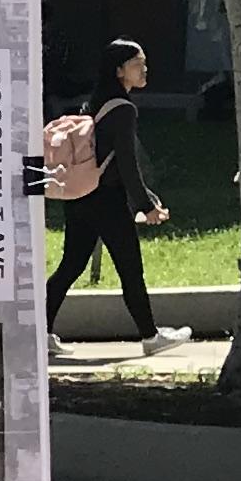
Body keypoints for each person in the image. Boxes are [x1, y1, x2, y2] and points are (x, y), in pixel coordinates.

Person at [44, 37, 184, 351]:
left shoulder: (95, 102)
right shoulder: (122, 109)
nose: (144, 70)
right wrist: (146, 205)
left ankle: (41, 330)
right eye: (138, 64)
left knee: (72, 264)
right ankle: (151, 337)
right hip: (107, 201)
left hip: (81, 193)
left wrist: (146, 196)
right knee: (130, 267)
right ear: (120, 70)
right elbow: (125, 163)